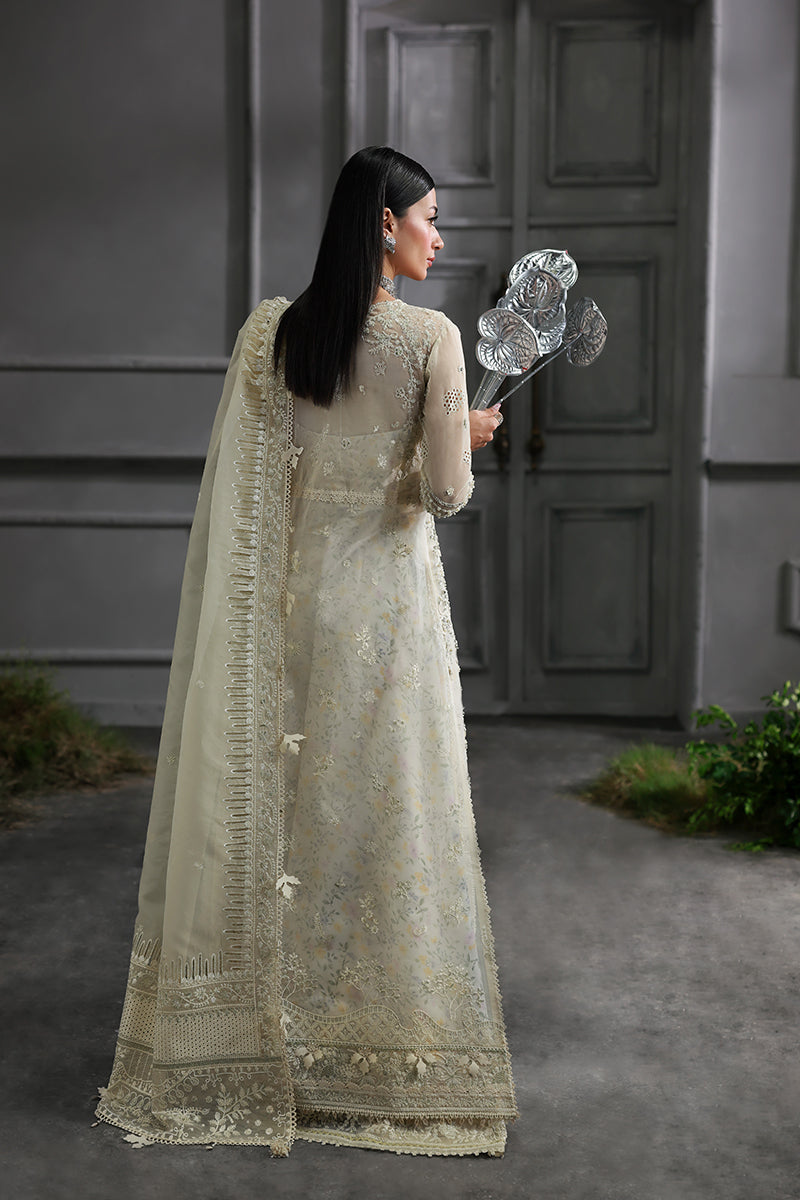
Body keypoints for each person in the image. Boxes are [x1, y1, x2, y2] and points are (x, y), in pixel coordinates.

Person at [96, 146, 515, 1157]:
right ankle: (367, 1050)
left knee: (290, 820)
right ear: (386, 222)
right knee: (383, 816)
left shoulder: (274, 335)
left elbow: (260, 484)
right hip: (387, 617)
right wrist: (469, 434)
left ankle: (269, 1038)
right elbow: (442, 494)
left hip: (291, 606)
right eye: (430, 217)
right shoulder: (429, 337)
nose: (439, 236)